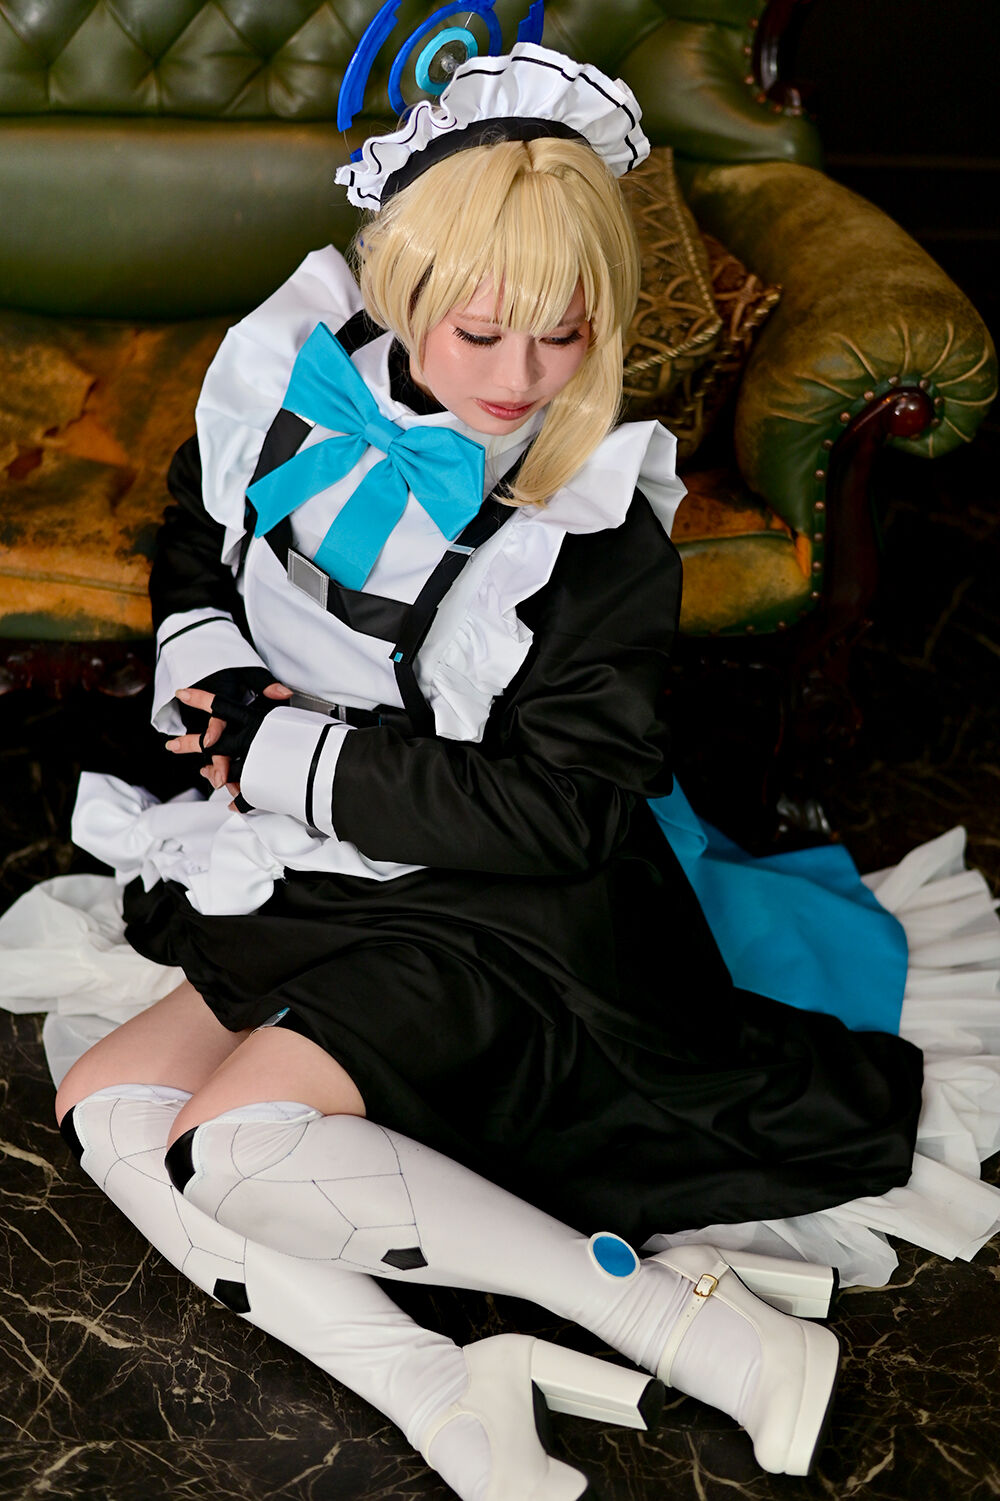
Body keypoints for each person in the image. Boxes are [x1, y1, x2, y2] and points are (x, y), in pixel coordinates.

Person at [37, 41, 994, 1501]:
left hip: (504, 905)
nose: (518, 380)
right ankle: (448, 1390)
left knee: (228, 1154)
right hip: (316, 872)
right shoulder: (299, 374)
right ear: (403, 289)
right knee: (108, 1110)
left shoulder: (597, 536)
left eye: (562, 337)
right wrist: (214, 665)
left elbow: (568, 814)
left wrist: (285, 753)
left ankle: (698, 1331)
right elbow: (195, 524)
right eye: (479, 333)